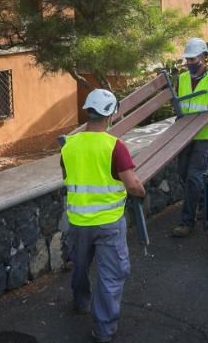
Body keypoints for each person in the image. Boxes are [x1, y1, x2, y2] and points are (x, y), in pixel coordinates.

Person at [60, 89, 146, 343]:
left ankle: (81, 303)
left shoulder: (69, 145)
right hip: (108, 223)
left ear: (88, 111)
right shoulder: (115, 147)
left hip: (78, 222)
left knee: (80, 266)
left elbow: (68, 178)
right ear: (110, 114)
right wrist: (141, 192)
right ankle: (104, 330)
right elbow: (132, 184)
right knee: (111, 275)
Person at [172, 37, 208, 237]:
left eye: (194, 59)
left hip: (203, 134)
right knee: (183, 172)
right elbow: (178, 104)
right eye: (188, 59)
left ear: (203, 57)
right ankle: (204, 204)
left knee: (194, 176)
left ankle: (187, 222)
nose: (190, 63)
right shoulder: (182, 78)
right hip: (185, 134)